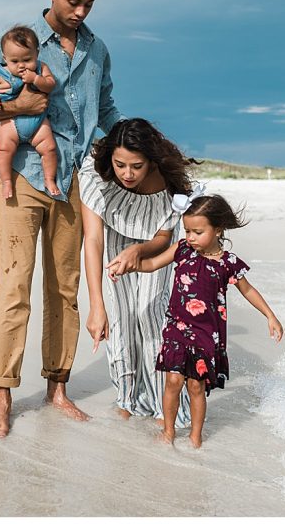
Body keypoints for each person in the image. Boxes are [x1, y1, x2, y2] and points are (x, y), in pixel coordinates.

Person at [0, 0, 122, 438]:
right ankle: (1, 394)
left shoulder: (97, 50)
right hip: (25, 177)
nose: (80, 13)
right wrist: (17, 105)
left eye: (89, 4)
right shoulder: (17, 40)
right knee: (14, 287)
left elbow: (106, 108)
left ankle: (58, 387)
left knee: (64, 289)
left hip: (73, 177)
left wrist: (137, 141)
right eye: (73, 1)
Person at [129, 194, 284, 448]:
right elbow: (153, 263)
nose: (190, 237)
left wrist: (270, 316)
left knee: (196, 387)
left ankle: (195, 436)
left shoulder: (228, 264)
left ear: (218, 230)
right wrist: (130, 265)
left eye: (197, 232)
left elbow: (248, 290)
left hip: (206, 335)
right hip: (176, 328)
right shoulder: (181, 250)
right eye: (187, 230)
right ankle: (168, 432)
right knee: (173, 381)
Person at [81, 118, 201, 428]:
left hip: (154, 245)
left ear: (151, 161)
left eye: (137, 166)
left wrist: (139, 251)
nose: (127, 173)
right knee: (122, 316)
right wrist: (96, 305)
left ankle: (166, 402)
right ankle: (128, 398)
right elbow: (93, 240)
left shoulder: (169, 184)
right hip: (115, 238)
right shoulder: (97, 177)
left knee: (150, 315)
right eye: (120, 164)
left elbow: (163, 238)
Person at [0, 25, 60, 199]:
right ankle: (7, 181)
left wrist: (36, 79)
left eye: (27, 59)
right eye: (15, 62)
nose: (21, 66)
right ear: (5, 59)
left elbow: (50, 85)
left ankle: (49, 179)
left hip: (38, 122)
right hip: (10, 123)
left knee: (49, 149)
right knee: (3, 150)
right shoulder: (0, 73)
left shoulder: (41, 68)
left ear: (37, 54)